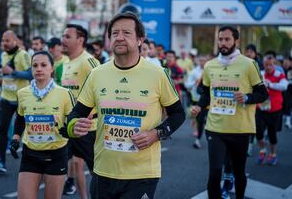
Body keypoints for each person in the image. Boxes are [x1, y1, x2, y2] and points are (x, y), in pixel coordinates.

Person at [66, 12, 185, 199]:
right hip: (103, 172)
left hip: (142, 174)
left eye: (126, 33)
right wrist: (74, 126)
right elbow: (75, 114)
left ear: (140, 39)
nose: (119, 37)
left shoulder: (158, 74)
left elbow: (178, 114)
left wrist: (156, 134)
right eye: (115, 33)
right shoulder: (97, 74)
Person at [191, 26, 268, 199]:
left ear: (236, 41)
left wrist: (247, 98)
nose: (223, 43)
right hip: (215, 128)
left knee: (239, 172)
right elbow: (206, 94)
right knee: (214, 173)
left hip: (240, 129)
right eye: (220, 39)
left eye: (227, 39)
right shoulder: (210, 66)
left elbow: (263, 94)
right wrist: (199, 106)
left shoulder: (249, 64)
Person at [9, 51, 75, 199]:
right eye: (35, 65)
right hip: (30, 154)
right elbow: (20, 118)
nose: (39, 69)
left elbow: (73, 119)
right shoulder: (22, 93)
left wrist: (69, 130)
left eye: (43, 65)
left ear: (52, 68)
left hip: (56, 154)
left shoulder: (64, 93)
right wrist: (15, 138)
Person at [61, 24, 100, 198]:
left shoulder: (88, 61)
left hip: (88, 128)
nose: (63, 40)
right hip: (70, 126)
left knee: (97, 171)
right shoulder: (67, 63)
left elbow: (103, 90)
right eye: (63, 36)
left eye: (67, 36)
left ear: (80, 40)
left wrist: (93, 112)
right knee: (75, 165)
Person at [0, 30, 32, 173]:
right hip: (7, 98)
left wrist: (12, 72)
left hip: (21, 99)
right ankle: (1, 161)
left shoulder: (23, 55)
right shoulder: (3, 55)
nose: (4, 43)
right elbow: (4, 73)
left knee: (26, 131)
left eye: (7, 40)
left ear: (15, 41)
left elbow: (30, 74)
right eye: (3, 41)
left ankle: (31, 163)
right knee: (2, 129)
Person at [256, 54, 288, 165]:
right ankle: (262, 150)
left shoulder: (279, 74)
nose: (268, 67)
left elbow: (284, 86)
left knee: (272, 134)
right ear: (263, 65)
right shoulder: (261, 74)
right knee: (258, 133)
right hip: (261, 108)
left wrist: (270, 84)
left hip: (275, 110)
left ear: (274, 64)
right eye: (266, 65)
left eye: (270, 65)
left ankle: (273, 154)